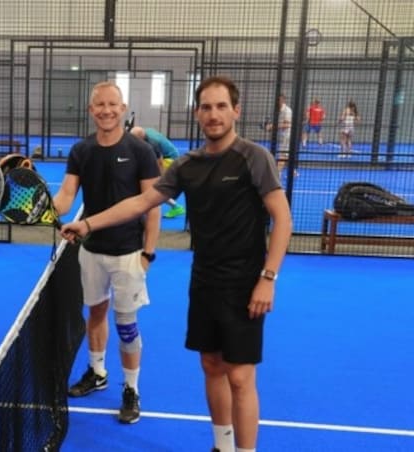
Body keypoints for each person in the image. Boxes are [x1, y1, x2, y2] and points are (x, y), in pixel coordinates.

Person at [61, 75, 292, 452]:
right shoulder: (188, 164)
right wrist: (87, 223)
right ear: (197, 113)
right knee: (212, 367)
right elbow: (139, 204)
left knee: (240, 376)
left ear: (236, 110)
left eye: (221, 106)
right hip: (203, 280)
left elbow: (282, 220)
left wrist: (268, 277)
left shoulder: (254, 157)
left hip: (245, 283)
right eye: (206, 107)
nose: (214, 115)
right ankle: (222, 445)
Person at [52, 81, 161, 424]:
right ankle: (96, 372)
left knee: (126, 324)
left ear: (123, 107)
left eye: (112, 104)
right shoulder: (81, 151)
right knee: (95, 314)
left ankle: (131, 389)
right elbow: (67, 196)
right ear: (91, 110)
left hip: (129, 253)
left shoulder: (141, 151)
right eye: (100, 105)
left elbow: (153, 207)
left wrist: (148, 253)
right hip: (91, 251)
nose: (106, 110)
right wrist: (46, 209)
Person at [130, 125, 186, 218]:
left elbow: (159, 161)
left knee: (155, 188)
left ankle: (176, 207)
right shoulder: (145, 131)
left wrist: (160, 177)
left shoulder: (152, 143)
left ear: (140, 138)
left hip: (170, 159)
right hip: (164, 155)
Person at [265, 94, 293, 175]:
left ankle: (277, 174)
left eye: (280, 100)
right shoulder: (278, 110)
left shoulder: (287, 110)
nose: (278, 102)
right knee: (286, 154)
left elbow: (287, 125)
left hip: (287, 136)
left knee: (283, 154)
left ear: (283, 100)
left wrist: (273, 126)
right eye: (277, 100)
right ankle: (293, 172)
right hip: (282, 136)